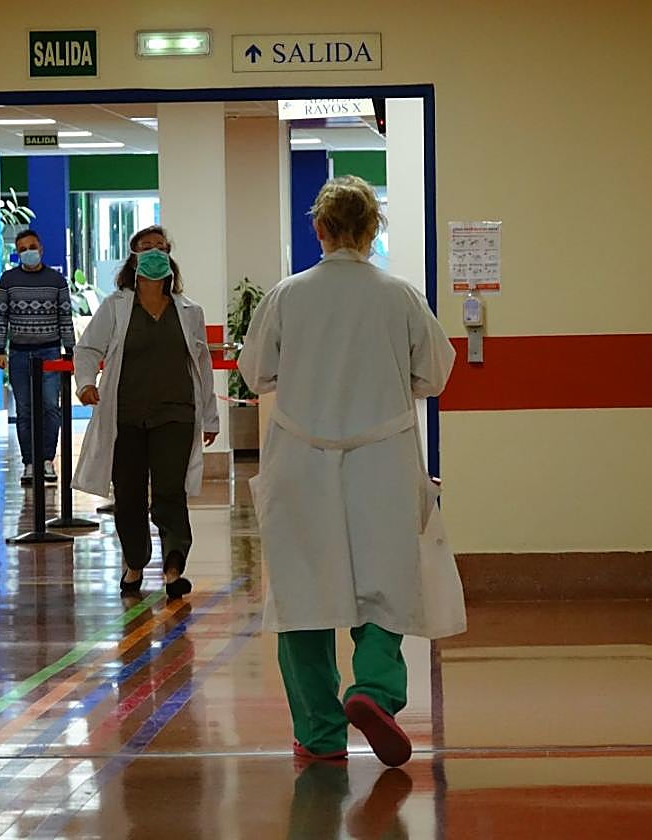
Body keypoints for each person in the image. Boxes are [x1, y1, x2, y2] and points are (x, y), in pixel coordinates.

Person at [239, 176, 462, 768]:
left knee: (303, 597)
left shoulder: (287, 295)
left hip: (301, 463)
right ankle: (374, 691)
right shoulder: (400, 296)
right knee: (385, 588)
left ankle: (318, 734)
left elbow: (254, 373)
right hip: (382, 461)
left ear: (319, 229)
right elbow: (436, 375)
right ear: (372, 231)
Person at [72, 226, 220, 600]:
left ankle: (173, 568)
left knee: (171, 491)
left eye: (161, 248)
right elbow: (88, 349)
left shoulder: (189, 311)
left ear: (169, 257)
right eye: (146, 247)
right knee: (130, 493)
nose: (155, 253)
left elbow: (200, 367)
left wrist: (211, 416)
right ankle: (135, 563)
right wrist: (86, 383)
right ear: (134, 257)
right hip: (126, 417)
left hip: (177, 414)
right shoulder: (116, 307)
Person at [0, 229, 76, 485]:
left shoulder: (56, 280)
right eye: (22, 249)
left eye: (32, 246)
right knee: (25, 409)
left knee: (50, 406)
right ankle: (29, 463)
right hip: (19, 353)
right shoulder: (8, 280)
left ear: (41, 249)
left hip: (50, 351)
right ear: (17, 254)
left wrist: (70, 350)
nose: (28, 252)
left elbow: (65, 317)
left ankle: (47, 461)